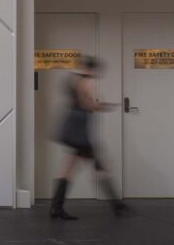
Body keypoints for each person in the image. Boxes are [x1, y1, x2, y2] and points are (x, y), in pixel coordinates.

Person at [51, 56, 129, 220]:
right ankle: (117, 204)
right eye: (96, 71)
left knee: (70, 167)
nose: (96, 75)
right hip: (79, 130)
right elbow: (86, 104)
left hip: (73, 127)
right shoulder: (84, 81)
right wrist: (104, 106)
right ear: (91, 69)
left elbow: (76, 101)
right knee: (98, 166)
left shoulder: (73, 79)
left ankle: (56, 207)